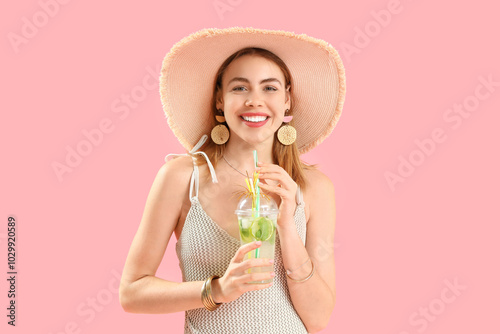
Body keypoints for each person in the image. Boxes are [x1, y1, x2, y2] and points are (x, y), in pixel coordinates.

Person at [119, 27, 346, 334]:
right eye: (240, 88)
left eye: (270, 88)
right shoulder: (183, 177)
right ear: (219, 100)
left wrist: (288, 227)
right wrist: (217, 290)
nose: (255, 100)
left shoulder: (314, 188)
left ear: (288, 100)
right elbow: (132, 292)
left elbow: (318, 319)